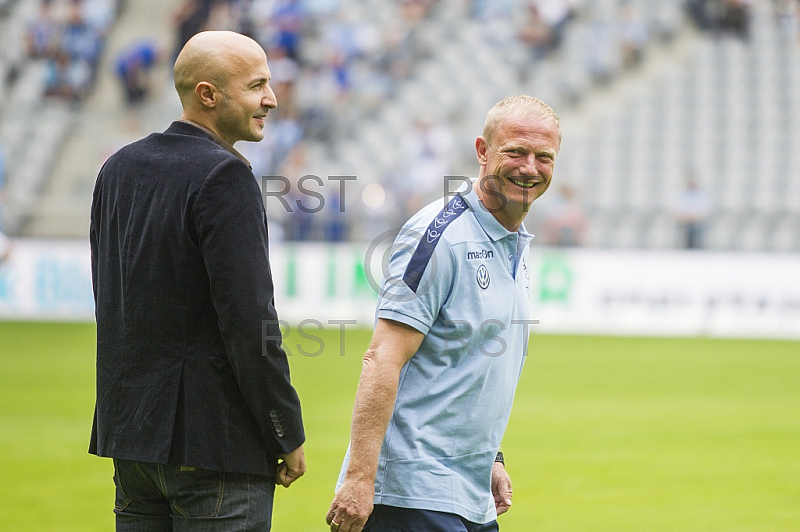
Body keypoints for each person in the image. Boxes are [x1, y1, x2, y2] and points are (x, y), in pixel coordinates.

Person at [90, 30, 306, 531]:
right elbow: (250, 322)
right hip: (214, 448)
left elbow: (111, 299)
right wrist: (285, 430)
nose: (271, 99)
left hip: (133, 441)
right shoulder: (226, 176)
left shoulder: (118, 169)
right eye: (256, 86)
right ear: (208, 94)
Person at [326, 94, 561, 532]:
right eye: (515, 152)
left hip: (468, 492)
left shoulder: (515, 243)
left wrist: (491, 456)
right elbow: (383, 358)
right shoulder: (439, 237)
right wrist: (360, 479)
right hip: (411, 492)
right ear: (482, 151)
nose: (529, 168)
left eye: (543, 157)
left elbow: (469, 365)